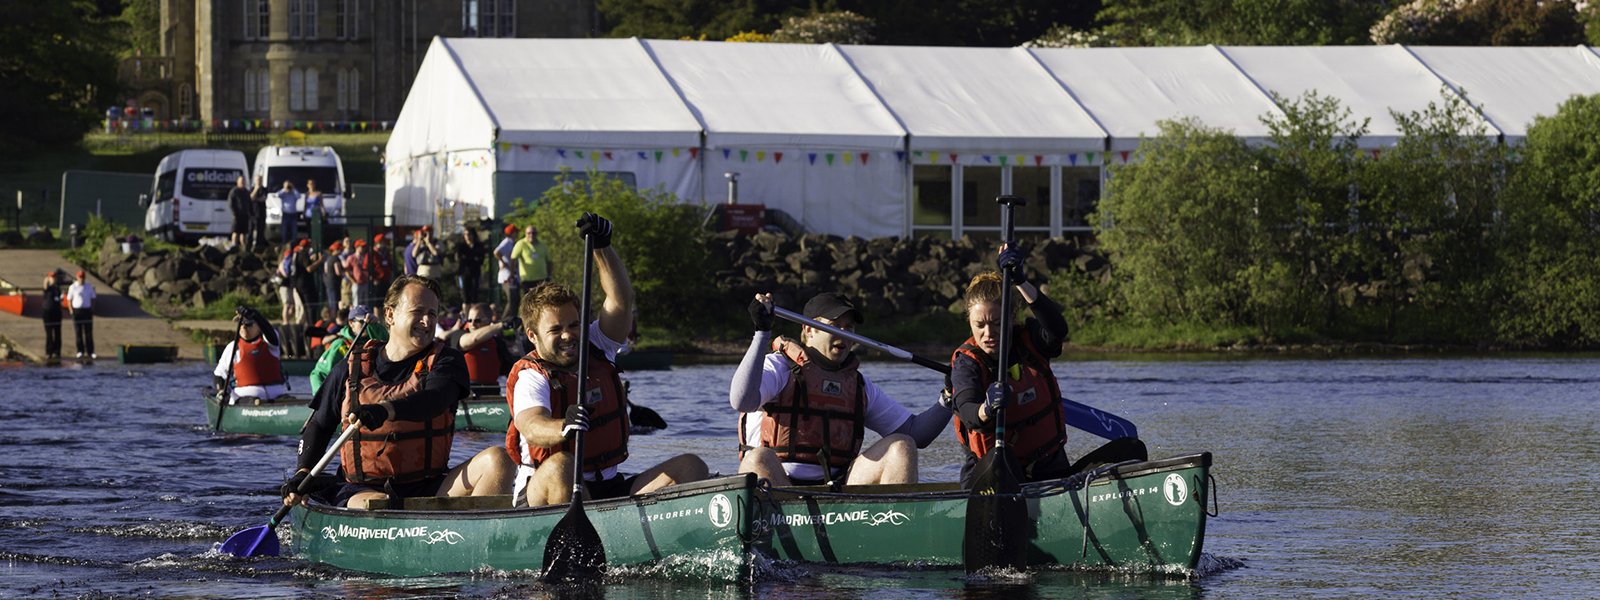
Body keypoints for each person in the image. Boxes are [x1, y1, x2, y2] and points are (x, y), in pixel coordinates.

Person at [507, 213, 708, 507]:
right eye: (556, 329)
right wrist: (564, 426)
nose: (568, 336)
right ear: (533, 336)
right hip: (547, 491)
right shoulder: (531, 376)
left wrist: (602, 247)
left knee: (692, 466)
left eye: (573, 325)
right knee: (562, 464)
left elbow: (621, 301)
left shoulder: (597, 345)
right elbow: (530, 424)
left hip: (609, 486)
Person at [284, 275, 514, 510]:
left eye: (432, 314)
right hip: (363, 490)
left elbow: (434, 400)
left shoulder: (447, 360)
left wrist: (386, 410)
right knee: (380, 504)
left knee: (499, 460)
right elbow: (319, 426)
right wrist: (304, 470)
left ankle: (477, 538)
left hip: (430, 486)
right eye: (418, 311)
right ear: (390, 315)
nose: (426, 321)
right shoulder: (349, 369)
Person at [731, 292, 953, 487]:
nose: (844, 333)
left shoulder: (859, 385)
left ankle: (895, 525)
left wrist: (950, 397)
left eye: (849, 327)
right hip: (779, 485)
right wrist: (761, 333)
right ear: (809, 330)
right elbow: (742, 400)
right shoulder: (778, 367)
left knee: (902, 446)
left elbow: (917, 434)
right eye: (835, 325)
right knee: (758, 458)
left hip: (838, 488)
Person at [947, 246, 1075, 488]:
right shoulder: (966, 363)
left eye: (996, 323)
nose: (988, 333)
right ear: (969, 323)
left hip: (1049, 466)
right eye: (980, 325)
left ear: (1012, 316)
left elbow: (1058, 329)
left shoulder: (1030, 339)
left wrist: (1021, 282)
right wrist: (987, 408)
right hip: (994, 476)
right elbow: (968, 412)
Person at [211, 306, 288, 403]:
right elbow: (219, 375)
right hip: (245, 400)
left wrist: (256, 314)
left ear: (259, 327)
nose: (243, 326)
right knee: (251, 401)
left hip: (277, 398)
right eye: (241, 323)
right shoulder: (233, 347)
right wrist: (221, 392)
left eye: (248, 324)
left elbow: (270, 332)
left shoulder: (270, 342)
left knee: (290, 400)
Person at [309, 305, 390, 396]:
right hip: (344, 396)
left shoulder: (376, 343)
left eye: (371, 322)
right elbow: (318, 374)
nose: (367, 325)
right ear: (351, 323)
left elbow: (387, 342)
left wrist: (375, 326)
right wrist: (321, 397)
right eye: (362, 321)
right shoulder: (340, 345)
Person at [444, 303, 517, 397]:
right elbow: (473, 339)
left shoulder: (497, 343)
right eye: (469, 320)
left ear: (489, 321)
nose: (472, 324)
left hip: (492, 393)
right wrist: (502, 325)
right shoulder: (458, 335)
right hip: (467, 394)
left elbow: (509, 369)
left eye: (477, 320)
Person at [511, 224, 552, 300]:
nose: (531, 235)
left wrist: (549, 275)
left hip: (542, 278)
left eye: (533, 233)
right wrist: (512, 274)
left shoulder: (542, 245)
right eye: (529, 233)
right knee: (529, 301)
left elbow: (549, 261)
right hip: (527, 280)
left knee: (542, 300)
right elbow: (513, 259)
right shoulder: (521, 244)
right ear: (525, 234)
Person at [67, 270, 96, 359]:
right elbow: (69, 299)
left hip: (87, 310)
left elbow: (93, 297)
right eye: (80, 277)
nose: (81, 279)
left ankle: (90, 351)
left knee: (88, 332)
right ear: (77, 277)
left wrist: (92, 309)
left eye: (82, 277)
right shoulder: (73, 287)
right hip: (77, 311)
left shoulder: (89, 286)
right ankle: (80, 351)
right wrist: (71, 310)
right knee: (78, 332)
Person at [455, 228, 487, 304]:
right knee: (465, 296)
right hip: (464, 273)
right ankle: (466, 313)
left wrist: (469, 258)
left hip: (475, 273)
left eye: (469, 234)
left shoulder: (478, 246)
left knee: (474, 295)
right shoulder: (461, 246)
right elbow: (460, 258)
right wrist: (472, 258)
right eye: (465, 234)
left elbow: (480, 259)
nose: (468, 236)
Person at [495, 225, 519, 318]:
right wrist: (503, 262)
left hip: (512, 275)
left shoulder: (512, 243)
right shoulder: (507, 242)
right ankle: (504, 321)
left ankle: (512, 319)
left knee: (515, 299)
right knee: (512, 299)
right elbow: (496, 252)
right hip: (506, 275)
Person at [343, 239, 376, 309]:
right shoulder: (351, 258)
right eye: (362, 247)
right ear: (357, 247)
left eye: (364, 247)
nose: (364, 248)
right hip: (357, 284)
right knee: (356, 303)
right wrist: (353, 281)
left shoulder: (365, 257)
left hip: (365, 283)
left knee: (365, 304)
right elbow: (346, 270)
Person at [41, 272, 63, 360]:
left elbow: (59, 298)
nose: (53, 279)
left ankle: (57, 351)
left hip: (56, 311)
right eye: (52, 277)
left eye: (54, 277)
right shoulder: (48, 288)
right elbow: (45, 287)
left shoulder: (57, 288)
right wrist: (47, 281)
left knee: (57, 332)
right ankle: (49, 351)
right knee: (49, 333)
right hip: (47, 312)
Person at [227, 176, 252, 248]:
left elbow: (249, 203)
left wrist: (250, 213)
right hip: (237, 215)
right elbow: (230, 203)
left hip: (245, 215)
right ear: (237, 182)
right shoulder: (234, 191)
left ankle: (243, 247)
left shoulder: (246, 192)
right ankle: (234, 246)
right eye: (241, 181)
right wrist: (234, 213)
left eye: (243, 181)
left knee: (243, 233)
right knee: (235, 232)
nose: (242, 183)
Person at [276, 180, 301, 245]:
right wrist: (284, 189)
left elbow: (299, 196)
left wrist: (293, 188)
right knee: (284, 230)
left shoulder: (294, 193)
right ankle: (284, 243)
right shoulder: (283, 194)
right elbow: (277, 194)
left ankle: (294, 243)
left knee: (294, 230)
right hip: (285, 214)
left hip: (293, 214)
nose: (288, 187)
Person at [249, 176, 269, 250]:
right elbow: (251, 197)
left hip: (262, 213)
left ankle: (259, 246)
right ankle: (249, 245)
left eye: (260, 180)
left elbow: (263, 199)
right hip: (253, 213)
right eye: (257, 180)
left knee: (261, 230)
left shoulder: (264, 189)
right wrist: (256, 189)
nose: (259, 181)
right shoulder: (252, 189)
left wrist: (256, 199)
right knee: (251, 230)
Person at [371, 232, 394, 298]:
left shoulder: (386, 252)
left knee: (386, 299)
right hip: (377, 281)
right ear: (377, 243)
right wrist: (374, 278)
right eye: (382, 242)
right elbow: (367, 267)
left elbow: (390, 264)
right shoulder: (373, 253)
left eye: (384, 242)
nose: (384, 244)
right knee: (377, 300)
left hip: (386, 279)